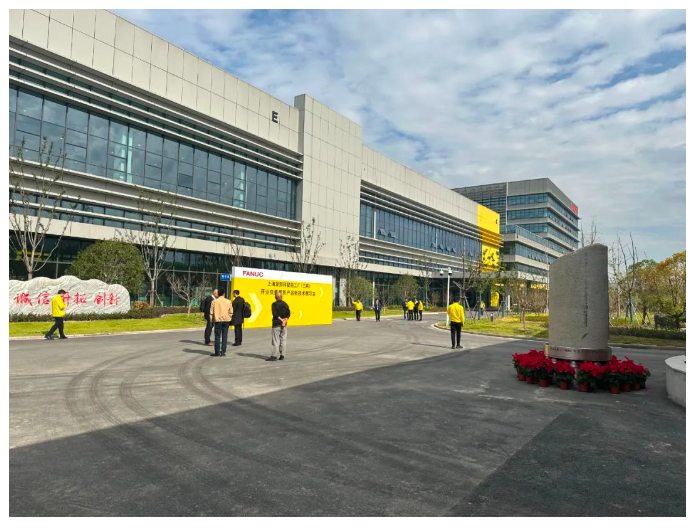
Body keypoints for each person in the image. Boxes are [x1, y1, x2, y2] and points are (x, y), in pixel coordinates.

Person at [268, 291, 290, 361]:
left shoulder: (274, 304)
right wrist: (284, 320)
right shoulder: (285, 304)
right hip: (284, 325)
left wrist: (281, 320)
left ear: (275, 297)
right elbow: (288, 314)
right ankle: (282, 355)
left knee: (275, 340)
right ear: (281, 297)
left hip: (276, 324)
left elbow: (275, 314)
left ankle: (274, 355)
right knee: (283, 339)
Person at [209, 289, 232, 357]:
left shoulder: (214, 301)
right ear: (224, 294)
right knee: (225, 336)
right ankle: (223, 352)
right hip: (226, 320)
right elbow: (231, 311)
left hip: (218, 321)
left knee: (217, 336)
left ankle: (217, 352)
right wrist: (229, 317)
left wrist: (211, 321)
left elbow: (211, 312)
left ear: (218, 294)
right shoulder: (228, 301)